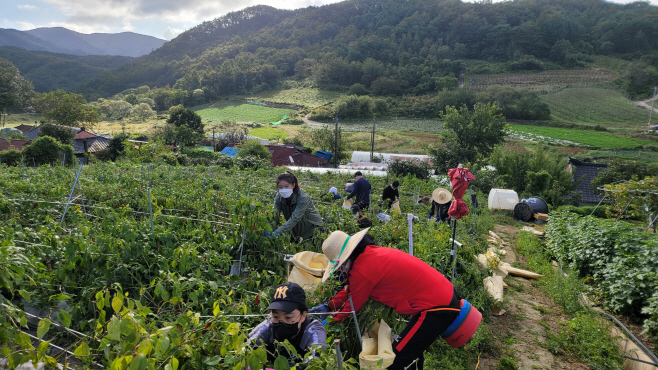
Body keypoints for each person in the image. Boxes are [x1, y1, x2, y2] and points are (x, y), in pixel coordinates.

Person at [310, 228, 471, 370]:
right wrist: (329, 305)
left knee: (398, 358)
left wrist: (328, 322)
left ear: (346, 259)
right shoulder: (369, 255)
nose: (342, 269)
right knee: (410, 349)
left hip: (436, 308)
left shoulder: (363, 269)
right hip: (442, 297)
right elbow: (351, 290)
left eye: (341, 265)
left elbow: (352, 305)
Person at [248, 282, 326, 365]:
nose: (281, 322)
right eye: (276, 316)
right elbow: (246, 347)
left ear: (303, 315)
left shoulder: (313, 330)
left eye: (288, 317)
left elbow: (315, 362)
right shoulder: (268, 325)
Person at [272, 171, 323, 240]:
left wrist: (277, 232)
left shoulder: (303, 197)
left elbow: (295, 218)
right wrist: (269, 228)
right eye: (280, 187)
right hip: (297, 230)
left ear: (293, 185)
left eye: (287, 186)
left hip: (312, 228)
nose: (283, 189)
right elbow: (275, 214)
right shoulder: (279, 197)